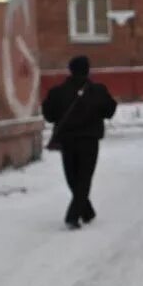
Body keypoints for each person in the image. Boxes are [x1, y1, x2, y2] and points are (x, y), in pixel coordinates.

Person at [41, 56, 118, 229]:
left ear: (70, 70)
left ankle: (81, 211)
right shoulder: (97, 91)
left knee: (72, 177)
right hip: (89, 141)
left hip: (67, 141)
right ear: (87, 70)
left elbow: (49, 115)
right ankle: (78, 213)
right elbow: (110, 110)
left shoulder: (58, 92)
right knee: (84, 177)